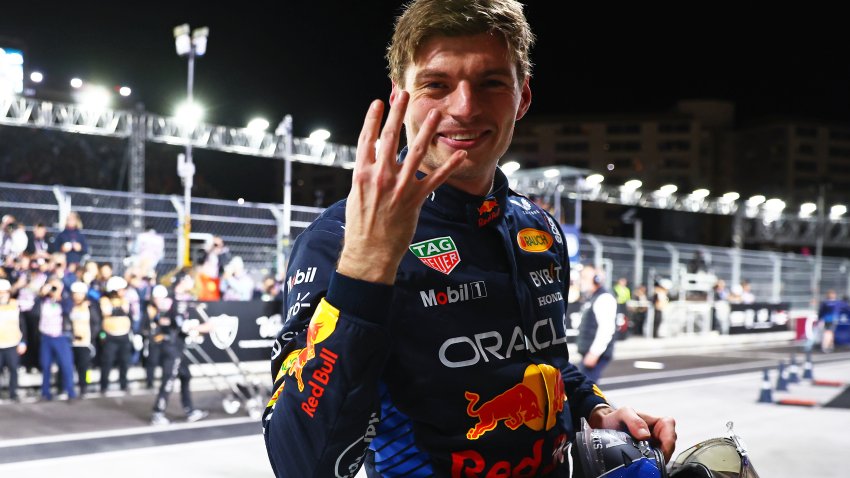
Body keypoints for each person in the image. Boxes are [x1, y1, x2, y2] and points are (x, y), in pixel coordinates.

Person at [262, 2, 676, 476]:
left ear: (522, 98)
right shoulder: (339, 238)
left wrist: (596, 410)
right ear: (401, 97)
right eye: (437, 85)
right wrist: (366, 265)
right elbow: (298, 463)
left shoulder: (537, 228)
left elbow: (544, 361)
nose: (464, 107)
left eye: (491, 83)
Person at [149, 285, 210, 425]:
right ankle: (158, 412)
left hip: (174, 346)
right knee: (168, 380)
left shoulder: (166, 307)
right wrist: (203, 327)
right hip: (172, 348)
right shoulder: (170, 305)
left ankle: (189, 410)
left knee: (185, 375)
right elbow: (181, 325)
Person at [33, 278, 76, 400]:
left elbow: (67, 309)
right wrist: (41, 294)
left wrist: (58, 296)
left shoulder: (65, 300)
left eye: (56, 287)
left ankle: (70, 391)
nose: (53, 289)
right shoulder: (43, 301)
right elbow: (34, 312)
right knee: (45, 365)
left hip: (61, 337)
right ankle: (45, 392)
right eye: (52, 287)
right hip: (46, 337)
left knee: (66, 365)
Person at [577, 266, 618, 383]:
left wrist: (594, 353)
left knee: (584, 389)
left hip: (596, 353)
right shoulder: (592, 297)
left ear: (596, 279)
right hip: (590, 352)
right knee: (584, 389)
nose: (581, 281)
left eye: (585, 277)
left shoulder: (604, 298)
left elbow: (606, 329)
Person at [99, 276, 132, 394]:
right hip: (110, 336)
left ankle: (124, 384)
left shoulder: (124, 299)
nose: (124, 291)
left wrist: (117, 310)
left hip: (124, 335)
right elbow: (107, 312)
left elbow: (125, 310)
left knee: (124, 361)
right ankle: (104, 385)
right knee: (107, 361)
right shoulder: (105, 299)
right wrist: (117, 310)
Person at [68, 281, 100, 397]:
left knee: (85, 367)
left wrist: (91, 337)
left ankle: (86, 385)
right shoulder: (69, 307)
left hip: (86, 343)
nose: (77, 296)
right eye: (75, 293)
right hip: (72, 342)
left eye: (80, 293)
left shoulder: (90, 307)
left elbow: (96, 323)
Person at [0, 279, 27, 401]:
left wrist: (23, 342)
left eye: (4, 292)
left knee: (13, 369)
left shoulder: (15, 305)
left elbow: (22, 325)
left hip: (12, 343)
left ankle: (13, 393)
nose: (2, 294)